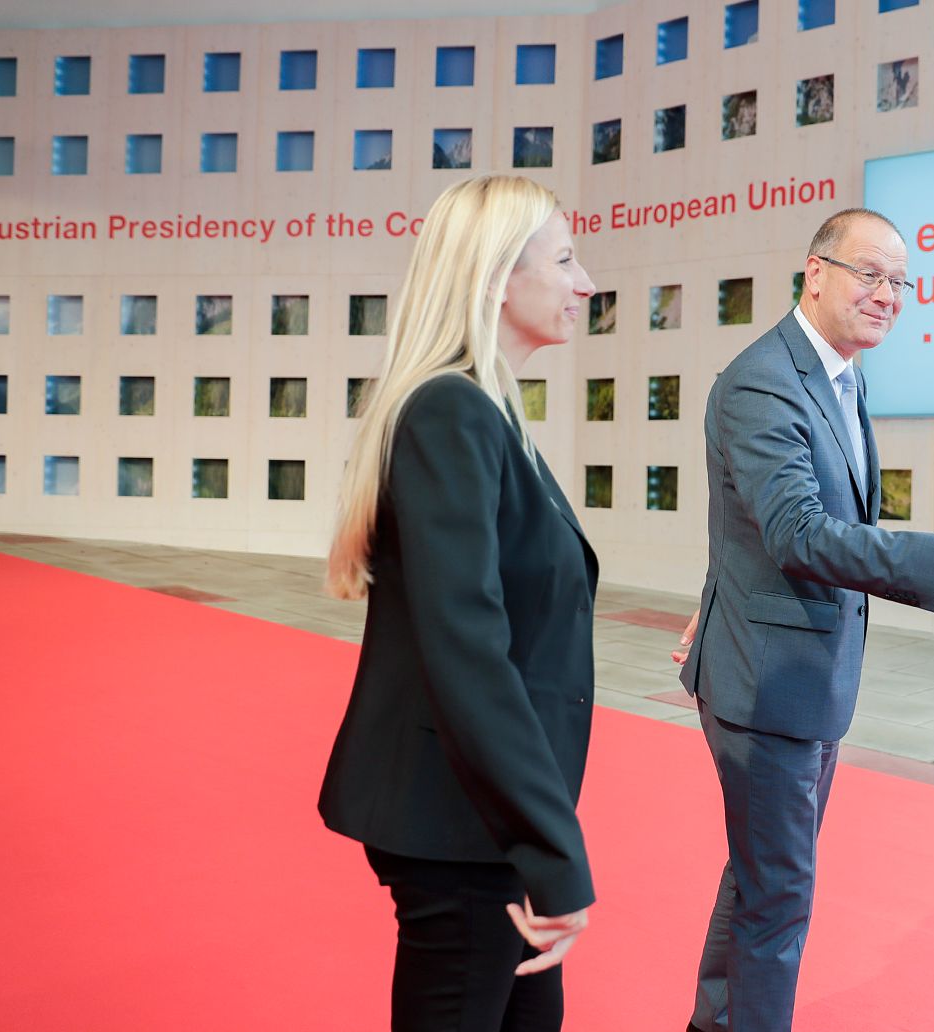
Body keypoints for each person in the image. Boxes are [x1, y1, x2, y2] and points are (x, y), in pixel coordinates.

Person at [671, 207, 934, 1032]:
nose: (886, 294)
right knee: (778, 893)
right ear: (816, 272)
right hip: (768, 685)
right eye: (868, 274)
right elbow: (796, 533)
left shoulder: (841, 372)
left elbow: (746, 518)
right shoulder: (766, 379)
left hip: (801, 677)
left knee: (762, 876)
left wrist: (713, 590)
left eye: (900, 281)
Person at [318, 174, 599, 1032]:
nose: (584, 282)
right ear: (493, 280)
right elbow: (467, 647)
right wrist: (553, 852)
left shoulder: (486, 410)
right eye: (564, 259)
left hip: (483, 823)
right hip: (461, 824)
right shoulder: (453, 412)